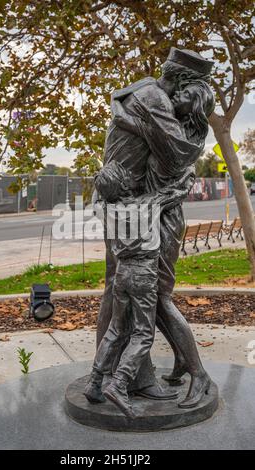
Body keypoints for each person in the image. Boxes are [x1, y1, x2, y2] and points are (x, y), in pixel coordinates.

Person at [96, 47, 216, 408]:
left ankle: (123, 377)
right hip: (137, 212)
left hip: (140, 211)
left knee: (137, 292)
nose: (179, 102)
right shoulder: (154, 100)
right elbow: (178, 156)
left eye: (185, 103)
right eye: (185, 92)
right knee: (136, 292)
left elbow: (177, 161)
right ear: (182, 80)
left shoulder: (142, 92)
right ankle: (127, 377)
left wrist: (133, 124)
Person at [85, 160, 190, 417]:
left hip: (121, 275)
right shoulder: (147, 203)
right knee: (143, 333)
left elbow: (96, 196)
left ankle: (95, 382)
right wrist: (186, 175)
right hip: (144, 275)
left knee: (116, 329)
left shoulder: (104, 208)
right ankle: (119, 384)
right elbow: (176, 192)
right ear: (124, 184)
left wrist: (102, 181)